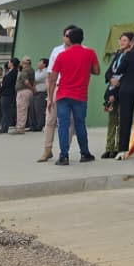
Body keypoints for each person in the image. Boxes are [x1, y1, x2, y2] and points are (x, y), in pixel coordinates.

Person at [53, 27, 100, 165]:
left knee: (63, 125)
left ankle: (63, 156)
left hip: (62, 94)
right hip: (80, 95)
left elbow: (53, 77)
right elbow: (96, 71)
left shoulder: (62, 55)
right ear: (82, 38)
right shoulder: (90, 53)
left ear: (69, 39)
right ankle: (85, 153)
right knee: (80, 124)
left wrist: (50, 96)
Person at [38, 26, 76, 163]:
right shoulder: (57, 50)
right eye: (66, 35)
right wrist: (49, 94)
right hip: (56, 88)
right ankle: (47, 150)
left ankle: (64, 151)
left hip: (71, 90)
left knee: (67, 122)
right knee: (49, 120)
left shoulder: (80, 51)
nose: (67, 38)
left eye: (70, 35)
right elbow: (49, 75)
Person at [101, 32, 131, 157]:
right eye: (121, 40)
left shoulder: (130, 56)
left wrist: (117, 85)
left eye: (125, 40)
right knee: (111, 120)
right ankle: (109, 147)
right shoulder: (118, 54)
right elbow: (108, 72)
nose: (122, 42)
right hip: (112, 89)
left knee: (121, 121)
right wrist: (111, 79)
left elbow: (128, 74)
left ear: (131, 42)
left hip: (122, 90)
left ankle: (120, 146)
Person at [12, 55, 35, 133]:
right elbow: (33, 81)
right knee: (23, 109)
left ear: (24, 62)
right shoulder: (32, 70)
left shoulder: (25, 70)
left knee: (21, 109)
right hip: (26, 91)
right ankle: (20, 126)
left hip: (23, 91)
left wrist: (31, 88)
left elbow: (26, 81)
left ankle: (20, 128)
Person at [0, 58, 19, 134]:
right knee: (4, 110)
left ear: (12, 63)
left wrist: (0, 90)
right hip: (5, 93)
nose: (8, 63)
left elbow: (7, 83)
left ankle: (4, 128)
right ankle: (3, 126)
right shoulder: (10, 71)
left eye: (9, 62)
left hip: (8, 93)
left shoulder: (14, 72)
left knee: (6, 111)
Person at [31, 57, 49, 132]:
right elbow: (33, 79)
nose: (38, 63)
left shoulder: (46, 71)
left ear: (44, 64)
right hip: (34, 92)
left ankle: (40, 125)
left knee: (39, 109)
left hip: (41, 93)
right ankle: (33, 125)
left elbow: (36, 79)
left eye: (40, 62)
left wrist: (33, 81)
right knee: (32, 109)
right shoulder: (37, 71)